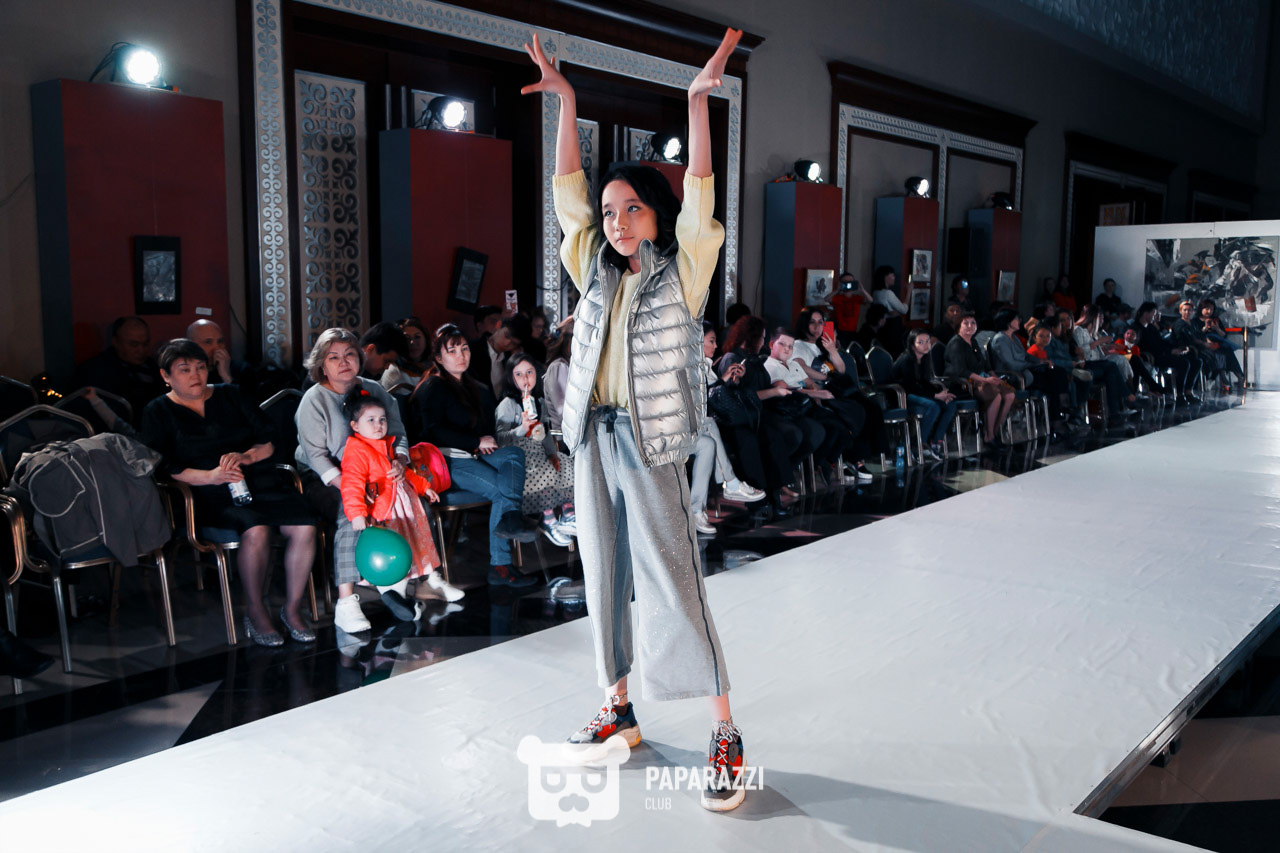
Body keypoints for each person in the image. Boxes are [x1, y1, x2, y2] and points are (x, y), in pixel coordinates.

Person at [526, 26, 748, 811]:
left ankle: (725, 730)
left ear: (658, 215)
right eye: (611, 211)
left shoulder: (684, 273)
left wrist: (696, 103)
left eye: (632, 209)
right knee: (603, 572)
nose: (617, 220)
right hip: (591, 436)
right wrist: (567, 103)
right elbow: (568, 196)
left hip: (651, 443)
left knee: (673, 576)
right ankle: (617, 707)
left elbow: (703, 195)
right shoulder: (592, 271)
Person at [140, 339, 317, 646]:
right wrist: (211, 476)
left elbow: (269, 438)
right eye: (184, 370)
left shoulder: (231, 394)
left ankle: (292, 608)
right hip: (204, 493)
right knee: (256, 529)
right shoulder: (158, 411)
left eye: (200, 367)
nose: (195, 375)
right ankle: (256, 610)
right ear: (166, 376)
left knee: (305, 525)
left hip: (257, 481)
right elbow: (163, 466)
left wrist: (247, 456)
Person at [295, 328, 413, 633]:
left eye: (350, 354)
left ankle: (394, 583)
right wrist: (354, 486)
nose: (344, 362)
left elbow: (397, 432)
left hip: (375, 470)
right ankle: (346, 602)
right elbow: (315, 456)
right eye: (333, 357)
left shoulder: (374, 390)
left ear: (360, 358)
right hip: (325, 477)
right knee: (351, 511)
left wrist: (399, 460)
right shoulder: (314, 400)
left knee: (407, 501)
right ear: (322, 365)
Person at [408, 324, 537, 588]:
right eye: (452, 351)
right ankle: (500, 567)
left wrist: (487, 441)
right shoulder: (433, 386)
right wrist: (475, 442)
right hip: (446, 460)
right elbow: (432, 431)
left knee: (513, 454)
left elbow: (487, 429)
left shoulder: (476, 386)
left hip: (475, 454)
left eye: (465, 349)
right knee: (501, 490)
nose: (461, 355)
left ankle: (511, 518)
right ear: (439, 358)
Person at [340, 388, 463, 615]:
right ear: (355, 426)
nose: (378, 425)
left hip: (405, 507)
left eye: (382, 419)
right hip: (387, 511)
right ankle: (395, 595)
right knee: (394, 550)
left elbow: (403, 473)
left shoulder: (386, 444)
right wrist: (357, 513)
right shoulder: (357, 450)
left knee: (413, 546)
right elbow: (351, 483)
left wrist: (424, 487)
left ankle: (419, 586)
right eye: (371, 420)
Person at [689, 321, 765, 534]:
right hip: (687, 426)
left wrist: (730, 380)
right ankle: (731, 484)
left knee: (710, 438)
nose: (715, 346)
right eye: (711, 341)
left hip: (708, 425)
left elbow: (712, 397)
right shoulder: (692, 366)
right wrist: (723, 380)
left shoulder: (704, 365)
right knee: (716, 430)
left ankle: (702, 506)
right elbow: (702, 400)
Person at [494, 354, 576, 545]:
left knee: (564, 463)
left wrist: (552, 453)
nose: (525, 378)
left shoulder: (540, 402)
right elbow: (501, 438)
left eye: (529, 372)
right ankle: (548, 519)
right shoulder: (508, 404)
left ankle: (568, 513)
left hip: (539, 450)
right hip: (519, 457)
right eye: (519, 374)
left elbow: (545, 432)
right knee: (541, 467)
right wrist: (522, 429)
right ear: (511, 378)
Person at [789, 307, 878, 481]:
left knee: (862, 410)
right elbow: (799, 366)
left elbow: (841, 370)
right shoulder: (798, 345)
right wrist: (824, 377)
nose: (817, 327)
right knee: (851, 414)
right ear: (804, 324)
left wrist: (832, 350)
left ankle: (848, 459)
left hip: (832, 389)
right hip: (816, 392)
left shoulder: (820, 346)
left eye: (820, 323)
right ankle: (843, 460)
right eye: (812, 322)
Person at [74, 316, 164, 425]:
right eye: (134, 345)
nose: (141, 350)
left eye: (145, 344)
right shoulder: (95, 370)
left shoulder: (154, 367)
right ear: (116, 342)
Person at [943, 313, 1016, 447]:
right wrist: (985, 380)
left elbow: (984, 365)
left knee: (1010, 394)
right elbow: (961, 371)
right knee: (996, 396)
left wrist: (993, 377)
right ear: (959, 326)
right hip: (964, 383)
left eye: (973, 323)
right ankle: (989, 436)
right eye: (966, 323)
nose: (970, 326)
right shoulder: (956, 344)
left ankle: (995, 432)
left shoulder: (973, 341)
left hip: (982, 379)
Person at [990, 308, 1069, 422]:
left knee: (1059, 371)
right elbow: (1010, 364)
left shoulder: (1014, 337)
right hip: (1014, 376)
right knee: (1052, 380)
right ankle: (1056, 417)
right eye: (1016, 319)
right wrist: (1031, 365)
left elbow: (1025, 355)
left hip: (1025, 370)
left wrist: (1040, 361)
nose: (1019, 321)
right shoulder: (1000, 339)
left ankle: (1062, 407)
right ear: (1008, 321)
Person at [892, 329, 958, 460]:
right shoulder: (906, 360)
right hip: (902, 395)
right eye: (920, 342)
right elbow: (910, 386)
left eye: (928, 341)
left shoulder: (925, 358)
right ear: (912, 346)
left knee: (950, 405)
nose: (926, 345)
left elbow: (924, 382)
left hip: (916, 393)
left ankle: (935, 442)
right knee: (933, 406)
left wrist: (941, 393)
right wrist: (935, 396)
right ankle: (918, 445)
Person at [1133, 301, 1198, 404]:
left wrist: (1176, 349)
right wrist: (1170, 351)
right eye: (1154, 313)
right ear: (1146, 314)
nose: (1155, 316)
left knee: (1195, 361)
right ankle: (1179, 394)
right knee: (1184, 363)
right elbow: (1148, 347)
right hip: (1153, 357)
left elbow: (1161, 342)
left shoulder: (1151, 327)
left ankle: (1188, 392)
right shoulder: (1136, 328)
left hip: (1162, 353)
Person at [186, 319, 246, 386]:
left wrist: (226, 375)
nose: (217, 348)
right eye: (208, 342)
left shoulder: (242, 369)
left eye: (220, 341)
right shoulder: (183, 373)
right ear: (191, 345)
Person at [380, 317, 430, 390]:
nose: (412, 342)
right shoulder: (395, 372)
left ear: (426, 339)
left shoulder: (433, 367)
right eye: (407, 338)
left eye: (417, 337)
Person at [871, 265, 908, 356]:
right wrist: (909, 291)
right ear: (885, 277)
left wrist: (894, 312)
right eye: (892, 275)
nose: (894, 277)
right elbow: (904, 310)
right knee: (895, 352)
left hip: (882, 328)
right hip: (893, 328)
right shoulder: (888, 293)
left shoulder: (875, 292)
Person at [830, 272, 871, 344]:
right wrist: (837, 290)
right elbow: (827, 299)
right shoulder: (838, 298)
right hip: (841, 331)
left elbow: (870, 300)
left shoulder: (857, 298)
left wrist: (862, 290)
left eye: (851, 281)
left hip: (853, 331)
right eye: (845, 282)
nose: (848, 283)